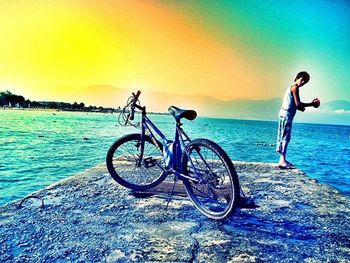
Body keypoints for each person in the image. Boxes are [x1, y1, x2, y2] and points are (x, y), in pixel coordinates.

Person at [276, 71, 320, 169]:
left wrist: (302, 107)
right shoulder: (294, 87)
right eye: (302, 79)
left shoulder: (291, 87)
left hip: (284, 114)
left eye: (305, 81)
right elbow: (298, 104)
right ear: (297, 78)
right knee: (285, 137)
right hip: (286, 115)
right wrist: (312, 104)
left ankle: (282, 159)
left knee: (283, 136)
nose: (303, 82)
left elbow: (297, 105)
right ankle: (282, 160)